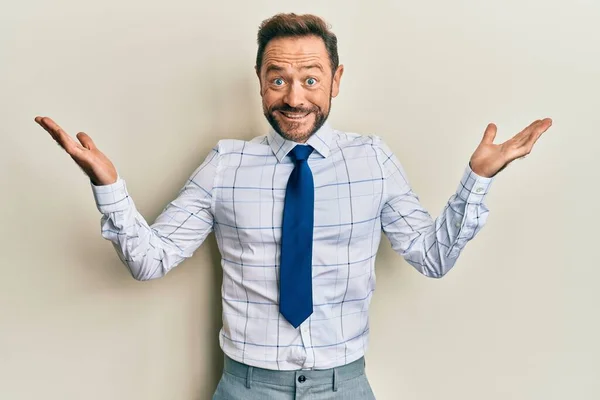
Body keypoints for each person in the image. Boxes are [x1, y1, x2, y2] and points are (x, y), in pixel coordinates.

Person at [35, 12, 552, 400]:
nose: (294, 97)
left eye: (310, 78)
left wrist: (476, 180)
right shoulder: (225, 164)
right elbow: (151, 261)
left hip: (343, 386)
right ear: (260, 81)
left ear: (336, 80)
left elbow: (431, 258)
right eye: (278, 78)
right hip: (246, 387)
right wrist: (108, 185)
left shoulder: (372, 160)